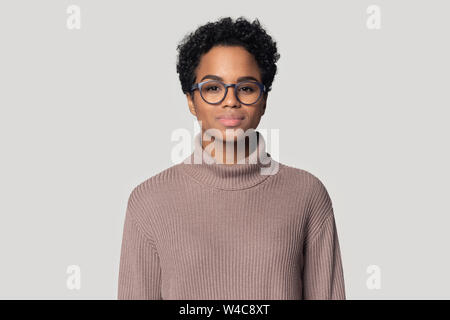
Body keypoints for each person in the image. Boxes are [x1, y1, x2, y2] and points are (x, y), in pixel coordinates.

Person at [117, 16, 346, 300]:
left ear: (263, 100)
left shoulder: (307, 195)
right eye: (213, 88)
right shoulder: (148, 201)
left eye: (246, 88)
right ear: (191, 101)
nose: (230, 100)